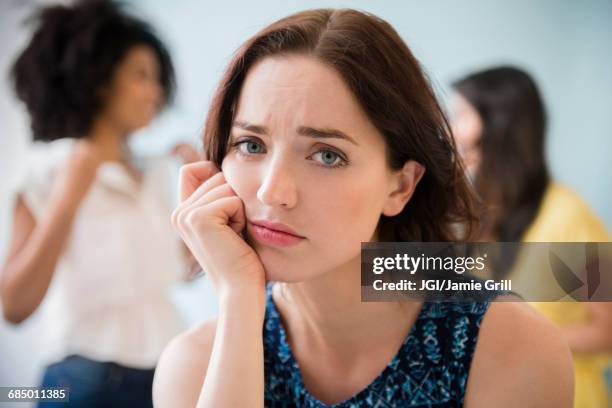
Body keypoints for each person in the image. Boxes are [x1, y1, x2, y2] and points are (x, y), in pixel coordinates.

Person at [153, 9, 573, 407]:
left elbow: (601, 314)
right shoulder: (195, 363)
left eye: (327, 155)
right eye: (251, 145)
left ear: (402, 185)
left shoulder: (513, 341)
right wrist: (238, 297)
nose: (272, 192)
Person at [0, 1, 198, 406]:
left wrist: (199, 209)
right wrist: (67, 199)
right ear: (99, 80)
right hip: (78, 381)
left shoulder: (159, 170)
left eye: (159, 79)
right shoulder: (46, 170)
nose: (156, 93)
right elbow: (14, 306)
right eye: (142, 76)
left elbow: (179, 274)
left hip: (168, 370)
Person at [452, 66, 612, 408]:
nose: (452, 130)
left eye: (462, 115)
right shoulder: (474, 212)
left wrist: (513, 340)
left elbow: (607, 331)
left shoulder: (570, 218)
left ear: (499, 127)